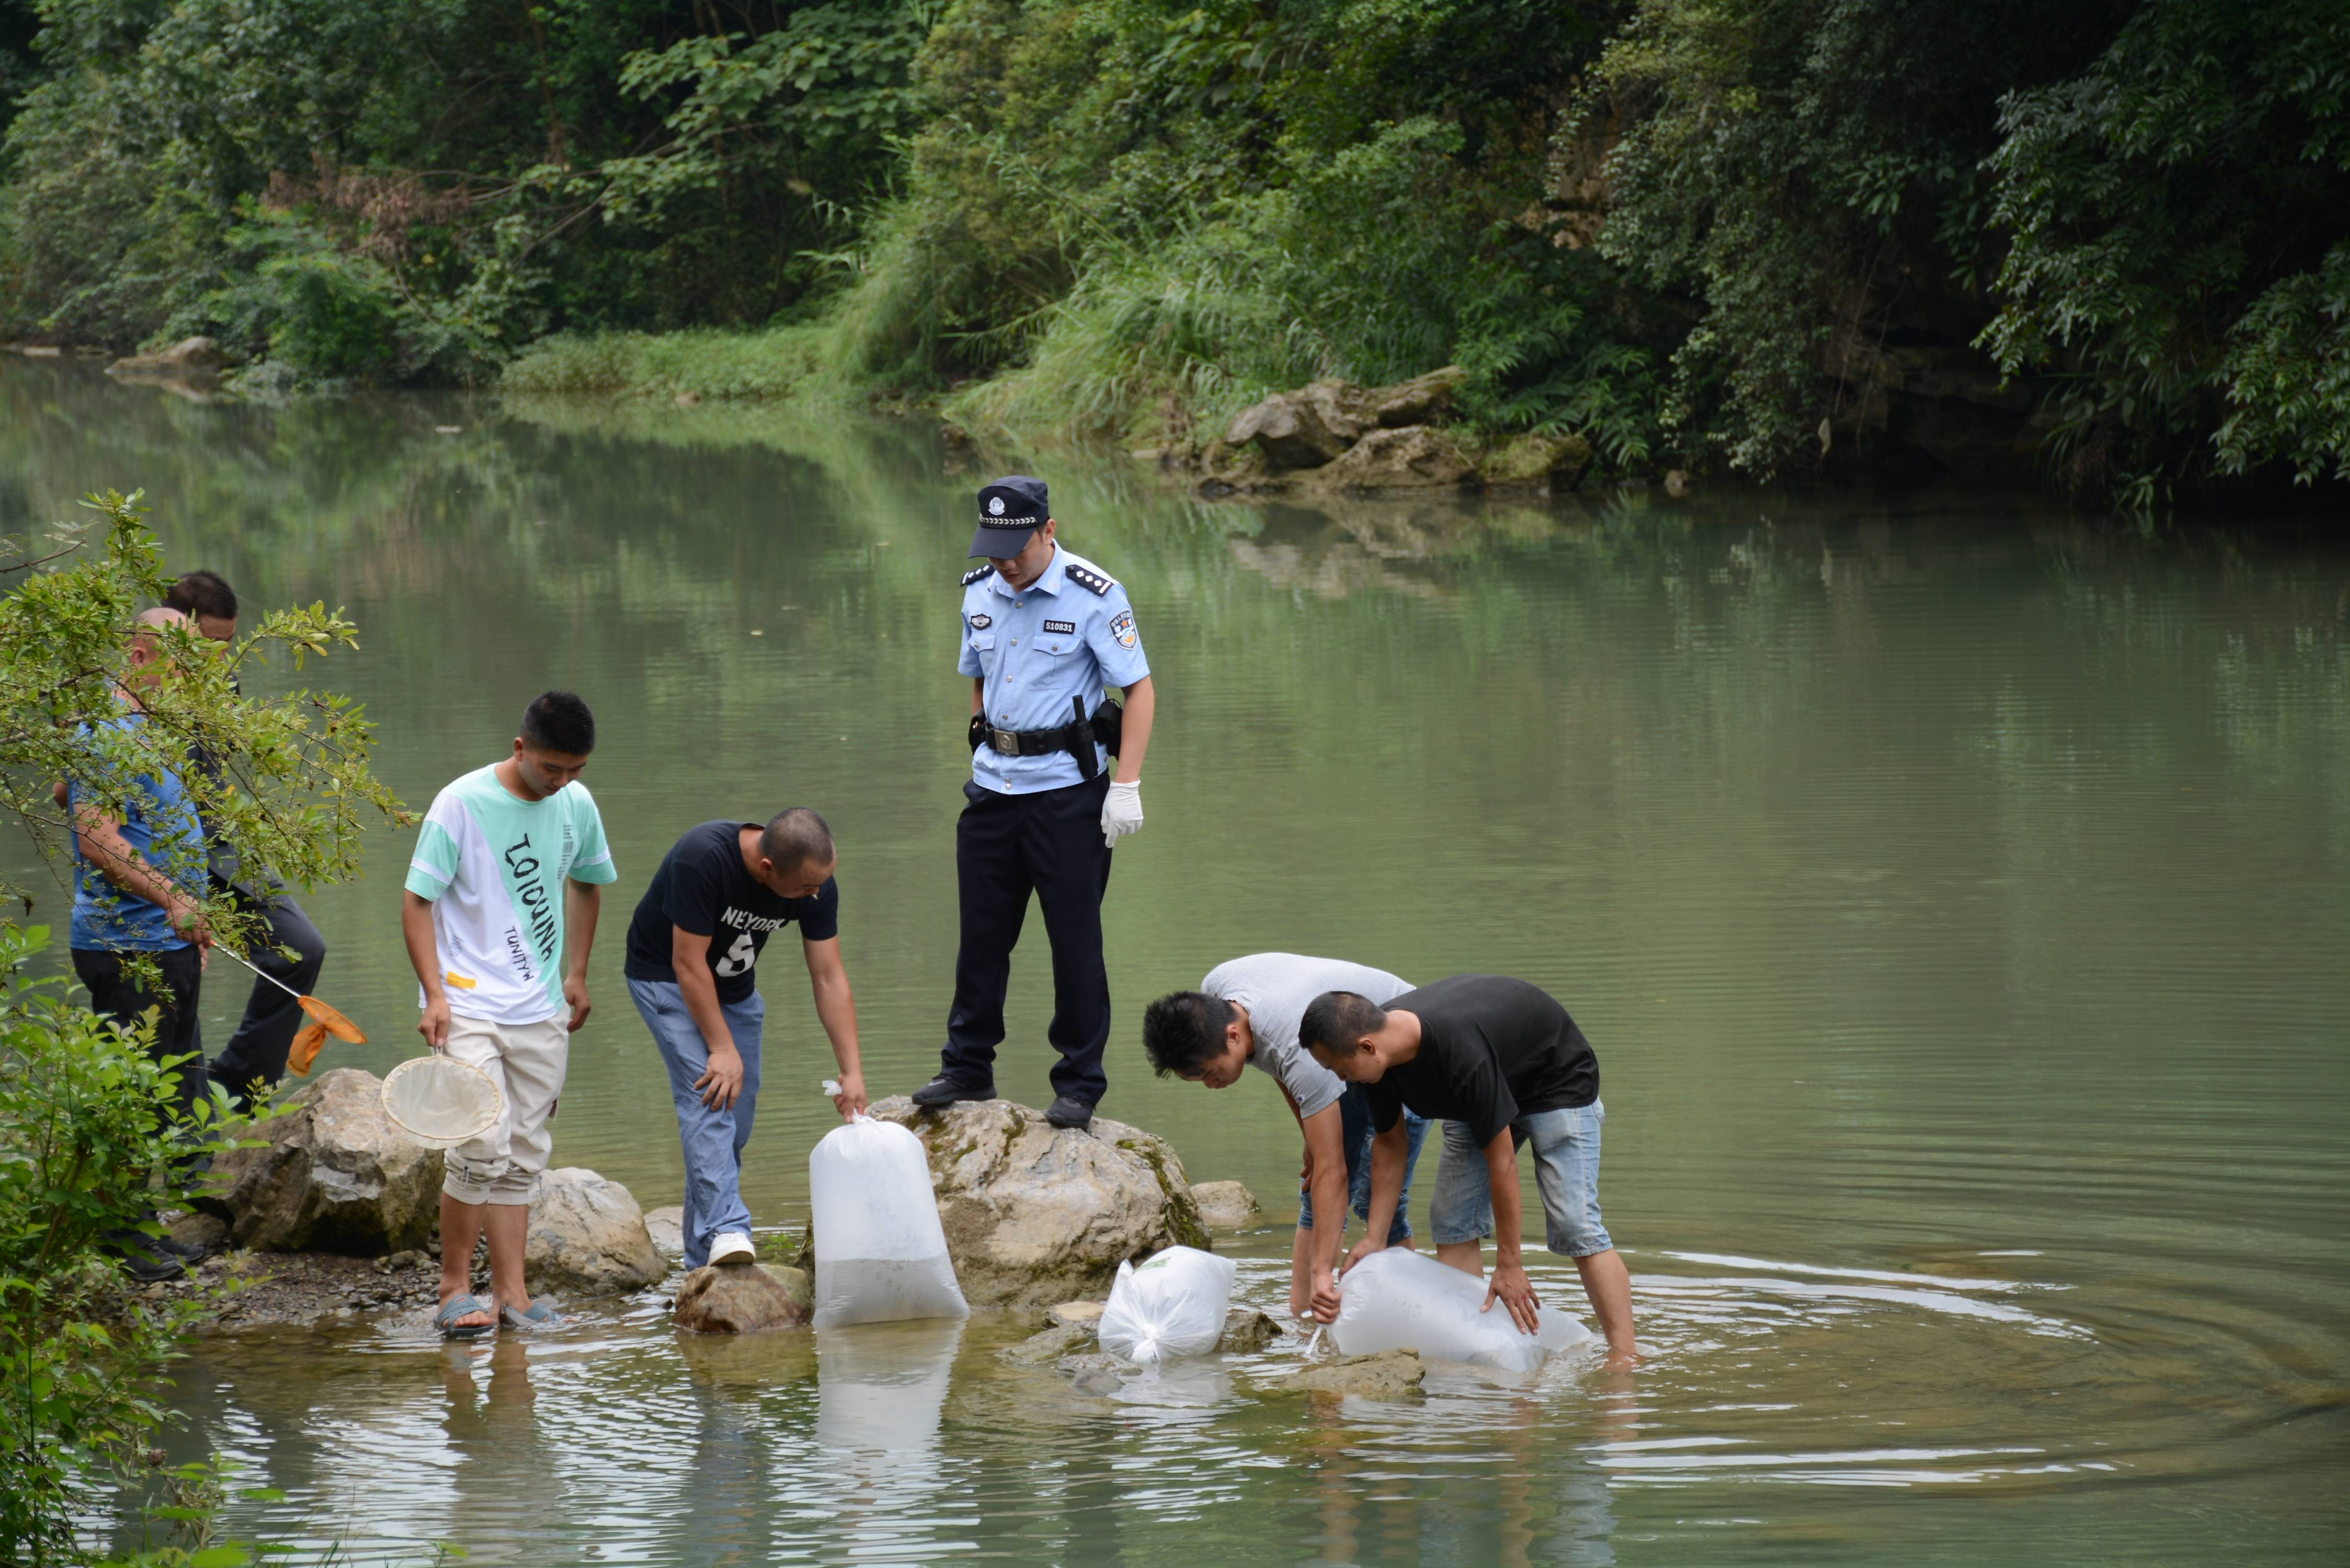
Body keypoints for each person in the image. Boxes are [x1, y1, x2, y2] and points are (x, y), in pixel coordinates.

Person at [912, 475, 1156, 1132]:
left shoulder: (1093, 596)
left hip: (1068, 799)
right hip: (994, 793)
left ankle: (1078, 1083)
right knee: (981, 937)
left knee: (1074, 943)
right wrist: (980, 746)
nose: (1005, 562)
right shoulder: (979, 592)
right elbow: (977, 679)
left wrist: (1125, 786)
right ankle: (967, 1065)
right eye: (993, 548)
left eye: (1016, 547)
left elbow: (1139, 690)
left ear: (1048, 530)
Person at [402, 691, 618, 1338]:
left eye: (576, 770)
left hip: (541, 1006)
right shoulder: (460, 804)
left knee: (525, 1153)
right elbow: (417, 903)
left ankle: (514, 1295)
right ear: (520, 748)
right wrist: (433, 994)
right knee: (478, 1145)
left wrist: (577, 973)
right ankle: (453, 1290)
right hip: (467, 1001)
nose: (563, 782)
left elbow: (586, 882)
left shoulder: (576, 802)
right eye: (552, 769)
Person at [1301, 976, 1638, 1366]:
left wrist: (1510, 1264)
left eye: (1339, 1070)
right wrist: (1376, 1238)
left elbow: (1503, 1162)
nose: (1342, 1080)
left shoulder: (1459, 1050)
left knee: (1575, 1224)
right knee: (1453, 1220)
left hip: (1555, 1084)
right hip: (1476, 1095)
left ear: (1366, 1047)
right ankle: (1477, 1350)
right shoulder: (1377, 1063)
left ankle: (1625, 1358)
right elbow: (1391, 1147)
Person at [623, 810, 868, 1271]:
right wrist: (721, 1047)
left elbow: (829, 975)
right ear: (767, 868)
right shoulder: (703, 859)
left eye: (821, 885)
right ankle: (728, 1230)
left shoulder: (814, 881)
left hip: (734, 989)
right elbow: (687, 963)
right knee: (711, 1098)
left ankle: (702, 1263)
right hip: (667, 979)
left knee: (736, 1120)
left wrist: (852, 1071)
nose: (814, 896)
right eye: (804, 889)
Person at [1142, 953, 1433, 1322]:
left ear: (1233, 1035)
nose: (1211, 1086)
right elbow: (1276, 1060)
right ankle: (1304, 1315)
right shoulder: (1216, 993)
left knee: (1378, 1202)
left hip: (1401, 1054)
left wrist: (1321, 1273)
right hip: (1332, 1056)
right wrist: (1309, 1136)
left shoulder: (1300, 1054)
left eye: (1210, 1074)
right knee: (1316, 1188)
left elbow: (1333, 1170)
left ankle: (1405, 1313)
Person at [68, 607, 217, 1281]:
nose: (188, 681)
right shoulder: (106, 733)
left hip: (166, 942)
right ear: (138, 659)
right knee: (131, 1092)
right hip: (125, 943)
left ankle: (141, 1227)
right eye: (178, 666)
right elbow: (98, 838)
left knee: (163, 1088)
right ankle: (120, 1238)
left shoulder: (151, 730)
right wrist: (172, 899)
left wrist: (193, 925)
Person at [162, 569, 330, 1111]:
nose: (222, 658)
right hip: (162, 853)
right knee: (176, 981)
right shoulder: (134, 683)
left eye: (229, 644)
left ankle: (237, 1088)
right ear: (173, 632)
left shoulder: (221, 679)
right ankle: (181, 1120)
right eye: (210, 644)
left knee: (301, 948)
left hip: (218, 846)